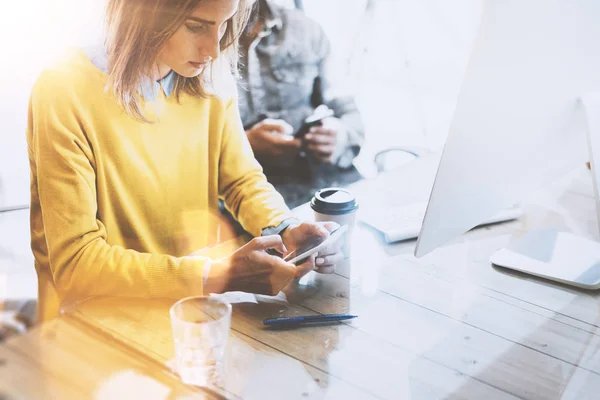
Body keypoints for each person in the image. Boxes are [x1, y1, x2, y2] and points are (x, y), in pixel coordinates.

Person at [26, 0, 342, 323]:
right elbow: (77, 264)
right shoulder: (63, 92)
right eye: (196, 26)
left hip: (194, 313)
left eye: (225, 24)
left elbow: (241, 181)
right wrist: (212, 275)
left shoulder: (212, 77)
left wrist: (284, 227)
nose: (214, 50)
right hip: (92, 324)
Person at [238, 0, 365, 208]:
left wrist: (338, 136)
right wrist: (243, 146)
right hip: (251, 202)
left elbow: (350, 115)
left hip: (329, 185)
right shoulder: (191, 42)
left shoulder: (306, 30)